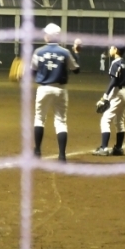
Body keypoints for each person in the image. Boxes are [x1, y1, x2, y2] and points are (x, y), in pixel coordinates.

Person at [31, 24, 80, 162]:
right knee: (61, 121)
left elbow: (32, 71)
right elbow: (76, 70)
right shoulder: (65, 52)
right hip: (60, 89)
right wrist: (76, 53)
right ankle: (62, 156)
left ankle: (37, 151)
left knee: (39, 118)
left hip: (44, 88)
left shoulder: (39, 51)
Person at [93, 44, 125, 156]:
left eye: (112, 48)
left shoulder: (115, 63)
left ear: (116, 50)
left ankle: (104, 148)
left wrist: (105, 97)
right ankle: (118, 148)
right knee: (119, 122)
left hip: (117, 92)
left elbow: (113, 81)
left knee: (105, 120)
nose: (110, 49)